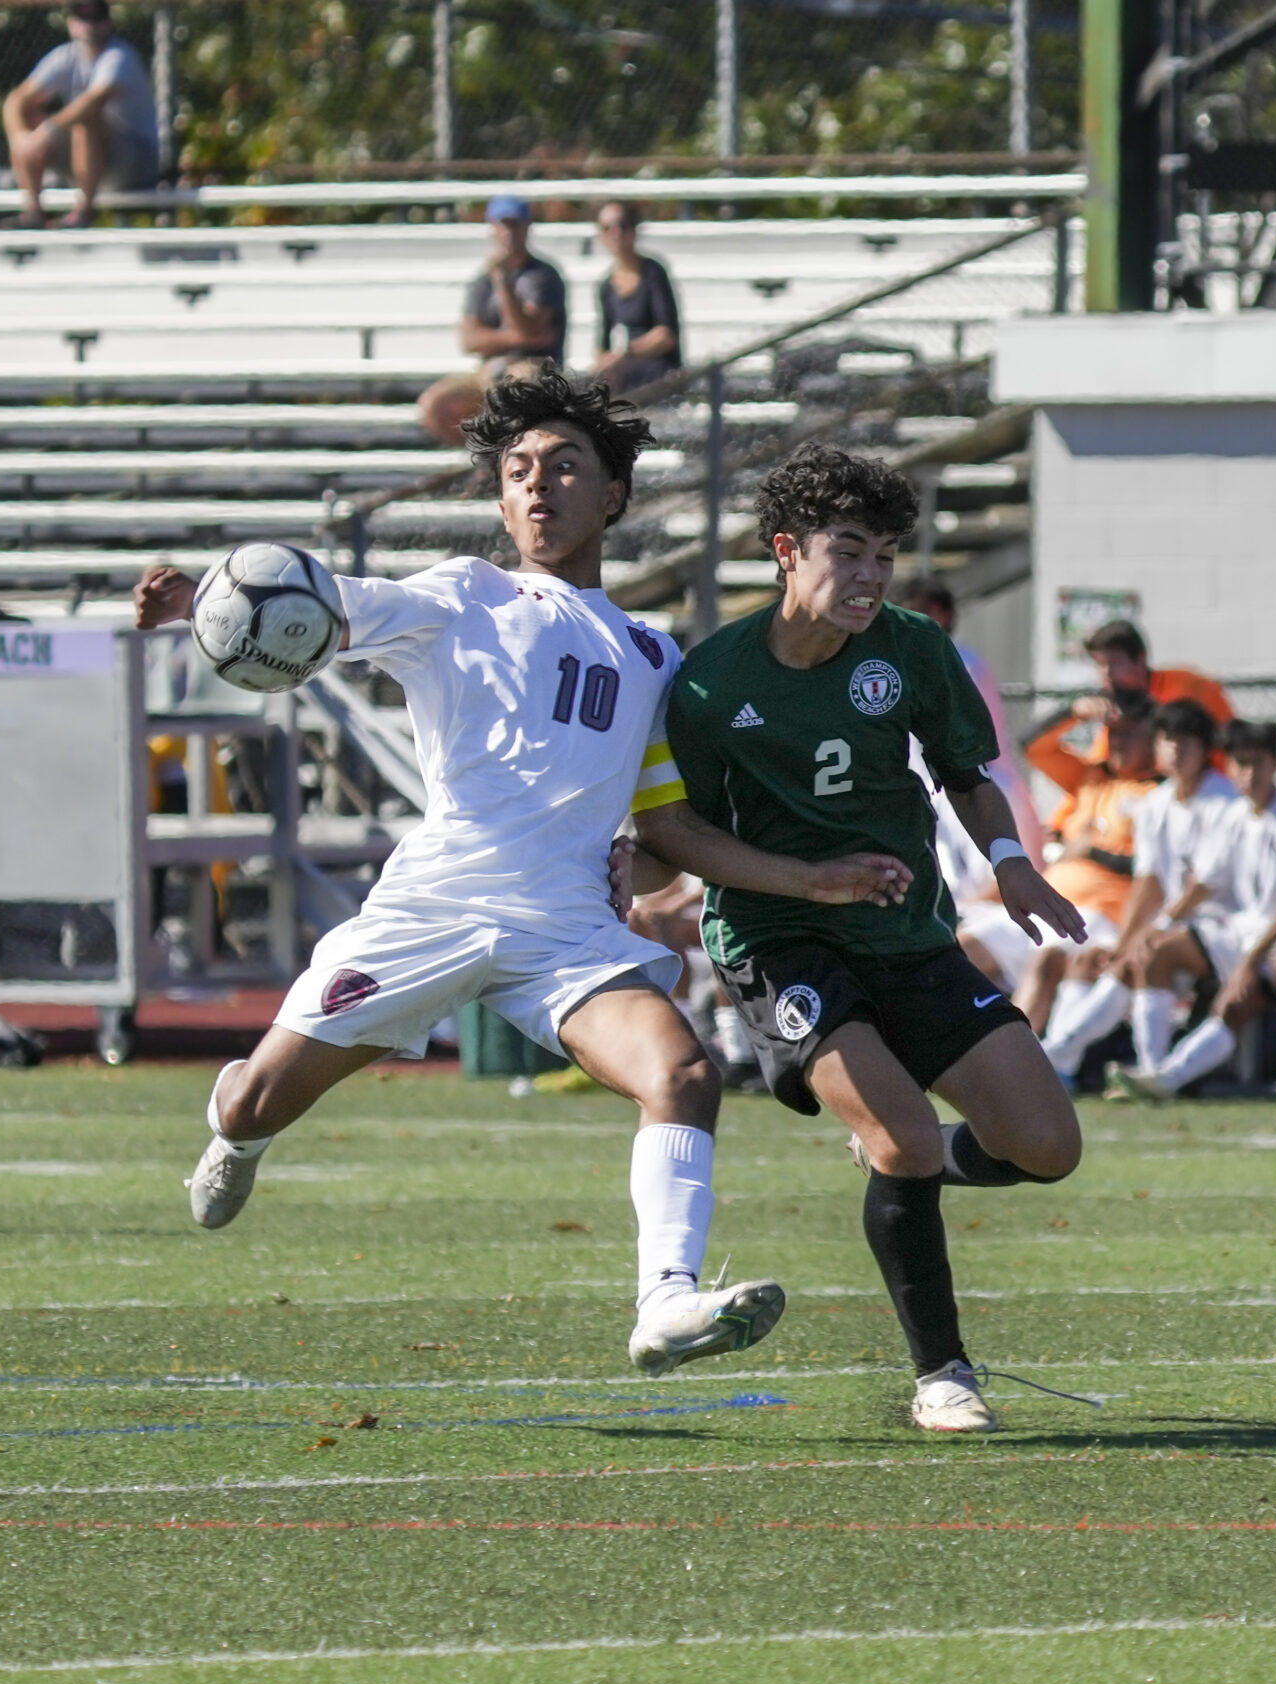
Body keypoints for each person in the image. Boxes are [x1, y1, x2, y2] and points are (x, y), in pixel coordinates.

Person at [140, 370, 912, 1379]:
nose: (536, 486)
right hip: (433, 907)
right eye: (515, 471)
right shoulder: (463, 593)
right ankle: (233, 1131)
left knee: (679, 1072)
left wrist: (801, 877)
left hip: (564, 927)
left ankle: (666, 1300)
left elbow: (665, 818)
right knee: (258, 1103)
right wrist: (200, 598)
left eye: (561, 467)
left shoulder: (653, 655)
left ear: (613, 497)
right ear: (498, 500)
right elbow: (321, 600)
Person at [660, 442, 1086, 1435]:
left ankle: (919, 1155)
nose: (868, 576)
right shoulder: (711, 682)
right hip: (778, 940)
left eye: (884, 556)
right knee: (892, 1134)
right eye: (847, 551)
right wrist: (799, 879)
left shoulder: (910, 648)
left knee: (1047, 1145)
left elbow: (964, 769)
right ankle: (942, 1372)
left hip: (906, 930)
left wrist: (1010, 858)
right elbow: (677, 831)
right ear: (785, 551)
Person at [1111, 719, 1276, 1100]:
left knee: (1236, 1002)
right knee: (1156, 954)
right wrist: (1161, 925)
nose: (1248, 774)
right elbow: (1205, 881)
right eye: (1239, 764)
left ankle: (1167, 1080)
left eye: (1257, 763)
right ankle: (1151, 1071)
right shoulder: (1236, 815)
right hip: (1242, 934)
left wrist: (1250, 962)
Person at [1071, 699, 1241, 1092]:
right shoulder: (1157, 803)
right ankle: (1064, 1060)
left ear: (1204, 749)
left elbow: (1207, 883)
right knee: (1111, 960)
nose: (1176, 751)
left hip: (1226, 925)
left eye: (1187, 742)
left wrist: (1157, 929)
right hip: (1181, 926)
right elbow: (1148, 883)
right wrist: (1125, 939)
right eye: (1168, 741)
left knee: (1151, 953)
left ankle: (1147, 1068)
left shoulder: (1224, 801)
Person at [1026, 691, 1157, 1054]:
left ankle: (1018, 1063)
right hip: (1044, 900)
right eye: (1112, 732)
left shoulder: (1157, 794)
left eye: (1129, 733)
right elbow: (1033, 747)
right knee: (967, 946)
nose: (1117, 742)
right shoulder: (1092, 778)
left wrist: (1090, 850)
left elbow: (1154, 868)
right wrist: (1074, 711)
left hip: (1101, 912)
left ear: (1152, 738)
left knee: (1047, 959)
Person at [897, 573, 1042, 857]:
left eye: (925, 610)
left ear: (946, 614)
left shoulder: (961, 662)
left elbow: (965, 744)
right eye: (909, 611)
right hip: (940, 789)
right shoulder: (914, 664)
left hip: (971, 785)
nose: (915, 619)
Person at [416, 197, 570, 448]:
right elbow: (470, 340)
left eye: (515, 225)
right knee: (434, 404)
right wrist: (517, 339)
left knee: (517, 389)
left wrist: (504, 283)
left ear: (527, 227)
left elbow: (529, 328)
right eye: (503, 225)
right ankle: (483, 456)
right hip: (490, 367)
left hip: (533, 365)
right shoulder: (482, 279)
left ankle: (512, 456)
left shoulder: (543, 275)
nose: (509, 232)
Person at [0, 0, 160, 230]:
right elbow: (16, 100)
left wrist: (48, 130)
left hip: (136, 164)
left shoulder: (119, 56)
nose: (90, 26)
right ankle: (34, 212)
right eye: (82, 19)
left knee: (86, 118)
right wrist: (21, 140)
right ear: (71, 23)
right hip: (87, 163)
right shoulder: (65, 56)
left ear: (109, 23)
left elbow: (95, 100)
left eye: (97, 18)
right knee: (26, 114)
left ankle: (83, 213)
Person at [1027, 618, 1234, 784]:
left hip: (1208, 791)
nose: (1106, 673)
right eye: (1100, 665)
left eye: (1115, 663)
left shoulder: (1184, 687)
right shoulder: (1117, 709)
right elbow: (1095, 777)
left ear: (1140, 659)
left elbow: (1221, 746)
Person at [592, 203, 682, 394]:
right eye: (607, 228)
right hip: (622, 370)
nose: (616, 233)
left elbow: (666, 336)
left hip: (656, 368)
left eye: (622, 226)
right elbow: (603, 343)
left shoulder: (653, 273)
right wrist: (604, 362)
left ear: (633, 230)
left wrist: (625, 354)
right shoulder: (606, 286)